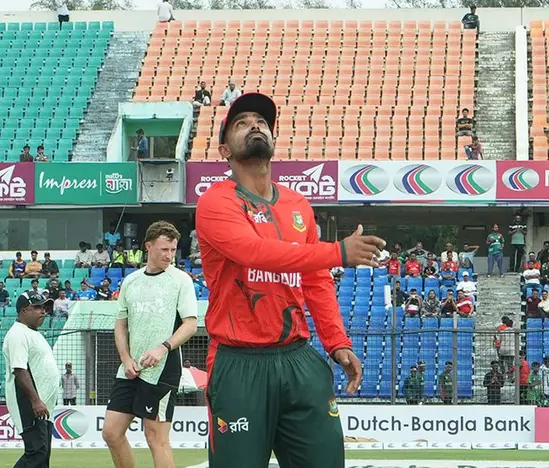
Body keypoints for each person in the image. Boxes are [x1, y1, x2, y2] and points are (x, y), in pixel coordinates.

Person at [194, 92, 385, 467]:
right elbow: (254, 252)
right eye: (241, 123)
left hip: (298, 358)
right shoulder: (215, 201)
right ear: (223, 150)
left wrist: (336, 342)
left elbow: (315, 281)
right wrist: (338, 252)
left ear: (273, 138)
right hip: (239, 362)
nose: (254, 125)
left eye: (261, 122)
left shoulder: (298, 205)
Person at [103, 221, 199, 468]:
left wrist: (162, 348)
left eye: (173, 250)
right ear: (148, 246)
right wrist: (125, 358)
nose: (169, 255)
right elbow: (121, 325)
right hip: (130, 368)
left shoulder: (181, 280)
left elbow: (190, 324)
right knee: (111, 433)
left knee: (156, 438)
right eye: (164, 249)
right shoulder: (131, 281)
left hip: (163, 369)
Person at [3, 291, 60, 467]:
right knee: (37, 452)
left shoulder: (33, 333)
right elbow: (20, 370)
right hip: (28, 401)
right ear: (23, 311)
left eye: (44, 307)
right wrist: (35, 401)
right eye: (37, 307)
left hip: (43, 404)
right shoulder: (18, 334)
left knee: (42, 456)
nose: (43, 311)